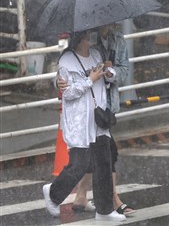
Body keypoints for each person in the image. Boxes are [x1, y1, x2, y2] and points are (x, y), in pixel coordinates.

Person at [43, 30, 126, 222]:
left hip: (98, 118)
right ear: (79, 39)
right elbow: (68, 93)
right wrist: (90, 80)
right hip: (79, 121)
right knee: (80, 164)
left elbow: (107, 78)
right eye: (87, 38)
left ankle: (104, 211)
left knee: (104, 163)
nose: (91, 41)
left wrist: (107, 72)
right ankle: (53, 193)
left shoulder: (97, 55)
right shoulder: (67, 61)